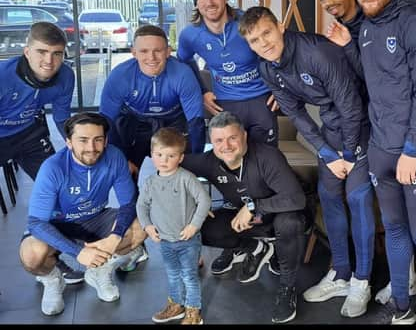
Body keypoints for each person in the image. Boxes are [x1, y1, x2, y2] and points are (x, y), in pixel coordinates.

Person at [327, 0, 416, 324]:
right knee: (394, 230)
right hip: (381, 148)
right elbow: (372, 77)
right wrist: (348, 45)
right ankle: (402, 308)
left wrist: (411, 150)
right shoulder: (365, 27)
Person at [239, 5, 376, 318]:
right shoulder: (267, 68)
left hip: (365, 125)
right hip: (332, 129)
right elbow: (297, 115)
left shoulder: (317, 53)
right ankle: (341, 273)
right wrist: (327, 154)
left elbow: (352, 106)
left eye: (267, 33)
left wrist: (349, 154)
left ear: (280, 27)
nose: (264, 43)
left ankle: (362, 281)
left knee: (357, 198)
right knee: (329, 197)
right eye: (255, 40)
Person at [310, 0, 416, 305]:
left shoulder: (382, 21)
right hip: (347, 126)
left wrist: (347, 46)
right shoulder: (337, 29)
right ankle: (343, 271)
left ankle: (369, 279)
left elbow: (379, 79)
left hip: (384, 130)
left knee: (365, 200)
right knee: (329, 194)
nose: (329, 1)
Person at [180, 111, 308, 324]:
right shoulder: (209, 160)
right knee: (201, 227)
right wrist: (194, 202)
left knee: (289, 222)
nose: (226, 146)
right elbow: (169, 165)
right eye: (219, 140)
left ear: (245, 136)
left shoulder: (268, 156)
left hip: (283, 214)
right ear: (211, 142)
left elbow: (296, 199)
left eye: (232, 138)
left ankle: (287, 287)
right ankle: (256, 248)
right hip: (249, 221)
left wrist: (253, 206)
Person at [18, 112, 147, 316]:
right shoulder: (52, 167)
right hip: (58, 224)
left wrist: (115, 236)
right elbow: (36, 222)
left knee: (141, 228)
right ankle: (53, 279)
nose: (91, 148)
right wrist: (78, 253)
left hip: (95, 218)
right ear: (69, 142)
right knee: (32, 256)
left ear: (105, 140)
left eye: (98, 140)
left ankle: (100, 270)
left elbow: (128, 203)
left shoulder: (114, 156)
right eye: (83, 140)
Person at [0, 21, 83, 284]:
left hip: (30, 134)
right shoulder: (3, 76)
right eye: (41, 52)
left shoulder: (65, 77)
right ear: (27, 52)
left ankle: (49, 261)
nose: (49, 60)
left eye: (57, 53)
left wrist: (77, 146)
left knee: (58, 191)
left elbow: (61, 118)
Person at [178, 0, 279, 146]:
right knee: (229, 159)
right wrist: (202, 92)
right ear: (196, 3)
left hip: (261, 99)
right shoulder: (190, 35)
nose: (209, 2)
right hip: (226, 103)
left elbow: (278, 49)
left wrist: (281, 86)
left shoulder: (248, 22)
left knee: (266, 158)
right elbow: (184, 61)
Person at [100, 24, 205, 176]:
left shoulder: (183, 74)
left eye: (158, 50)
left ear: (168, 52)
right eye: (144, 51)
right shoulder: (120, 76)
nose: (151, 58)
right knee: (125, 172)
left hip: (173, 123)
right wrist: (122, 160)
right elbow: (106, 122)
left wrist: (195, 161)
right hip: (135, 123)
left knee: (180, 175)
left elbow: (196, 123)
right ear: (134, 53)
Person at [137, 127, 211, 325]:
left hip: (187, 240)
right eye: (159, 155)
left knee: (189, 276)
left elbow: (204, 200)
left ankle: (194, 312)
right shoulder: (150, 181)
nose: (164, 160)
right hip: (165, 241)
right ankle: (176, 305)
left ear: (180, 157)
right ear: (152, 155)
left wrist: (194, 226)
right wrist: (147, 226)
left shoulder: (186, 178)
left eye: (171, 156)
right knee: (172, 275)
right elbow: (141, 205)